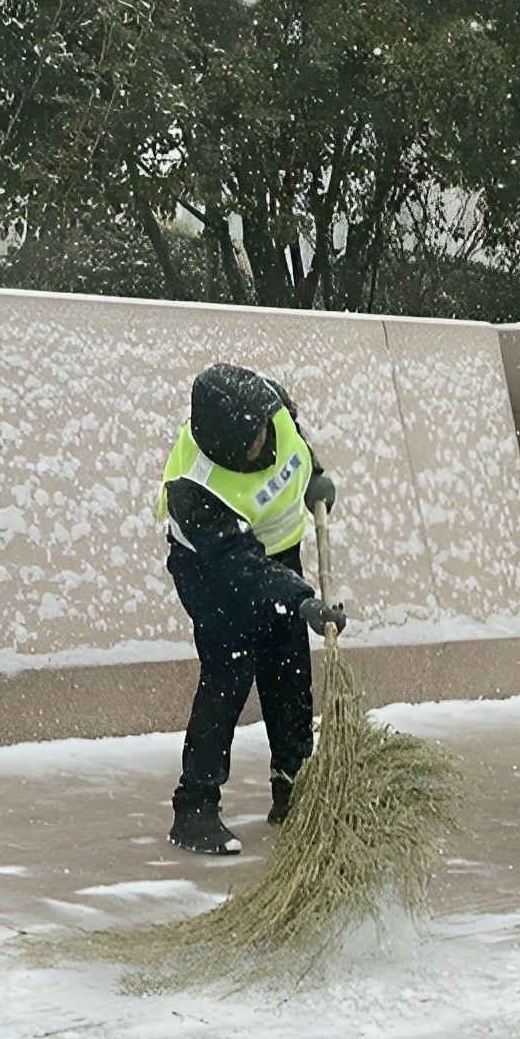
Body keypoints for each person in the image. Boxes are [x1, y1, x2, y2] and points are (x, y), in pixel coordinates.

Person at [159, 363, 345, 856]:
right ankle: (195, 808)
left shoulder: (268, 403)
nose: (264, 441)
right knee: (229, 676)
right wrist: (302, 599)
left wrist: (316, 479)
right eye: (251, 441)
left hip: (276, 555)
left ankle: (293, 790)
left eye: (265, 429)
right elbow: (242, 570)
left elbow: (297, 439)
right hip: (213, 571)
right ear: (223, 444)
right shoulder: (193, 488)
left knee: (288, 673)